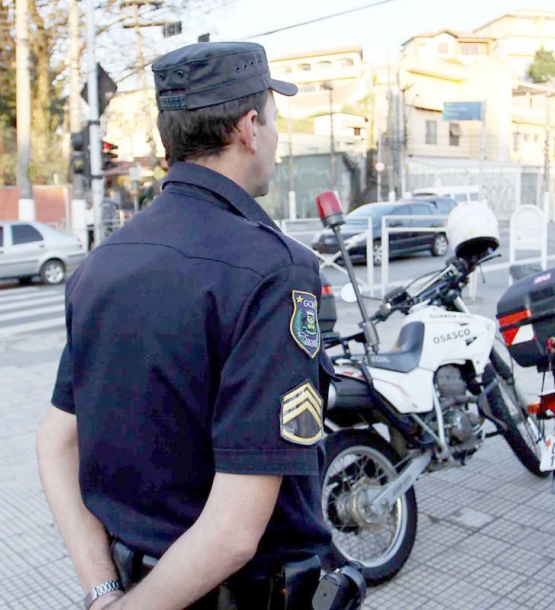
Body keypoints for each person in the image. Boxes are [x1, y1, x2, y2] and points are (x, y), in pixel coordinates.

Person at [36, 41, 333, 610]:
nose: (274, 137)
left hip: (131, 584)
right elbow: (234, 531)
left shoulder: (102, 263)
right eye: (273, 120)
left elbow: (55, 440)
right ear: (249, 128)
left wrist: (103, 593)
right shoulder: (274, 269)